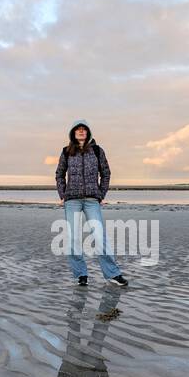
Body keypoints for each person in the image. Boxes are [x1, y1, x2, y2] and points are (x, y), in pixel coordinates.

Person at [55, 119, 128, 287]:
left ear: (88, 133)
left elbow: (106, 173)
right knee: (73, 239)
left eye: (84, 129)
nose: (81, 132)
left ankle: (113, 274)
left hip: (92, 200)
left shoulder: (96, 150)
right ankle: (81, 275)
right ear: (73, 133)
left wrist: (101, 194)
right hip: (72, 200)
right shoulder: (66, 152)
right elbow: (59, 174)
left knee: (99, 237)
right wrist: (62, 194)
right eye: (78, 130)